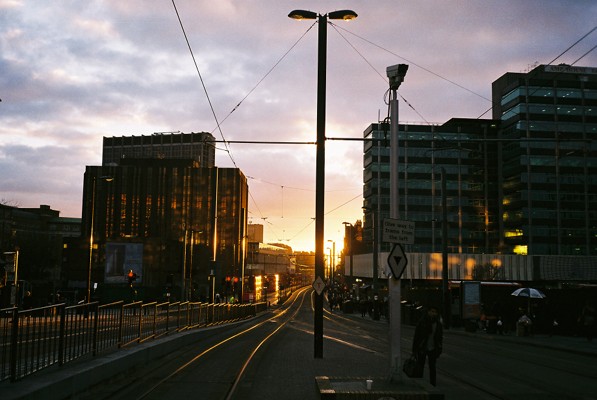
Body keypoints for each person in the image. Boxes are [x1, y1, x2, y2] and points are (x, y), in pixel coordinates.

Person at [412, 305, 443, 386]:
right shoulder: (422, 322)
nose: (433, 313)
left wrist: (439, 348)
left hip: (432, 348)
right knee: (420, 366)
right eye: (432, 311)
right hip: (423, 347)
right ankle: (420, 383)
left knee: (432, 367)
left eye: (435, 312)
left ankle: (433, 384)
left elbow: (440, 338)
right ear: (428, 312)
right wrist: (414, 349)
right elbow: (417, 336)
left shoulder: (438, 324)